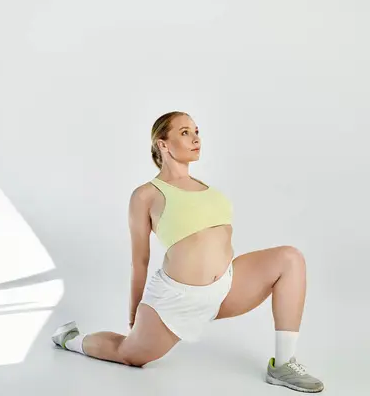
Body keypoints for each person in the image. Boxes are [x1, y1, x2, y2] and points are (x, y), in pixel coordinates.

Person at [51, 111, 324, 393]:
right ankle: (70, 339)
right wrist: (134, 314)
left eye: (196, 131)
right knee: (128, 354)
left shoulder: (211, 191)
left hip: (226, 289)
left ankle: (282, 364)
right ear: (163, 144)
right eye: (184, 132)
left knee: (290, 259)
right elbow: (139, 260)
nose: (196, 138)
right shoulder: (146, 194)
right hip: (174, 301)